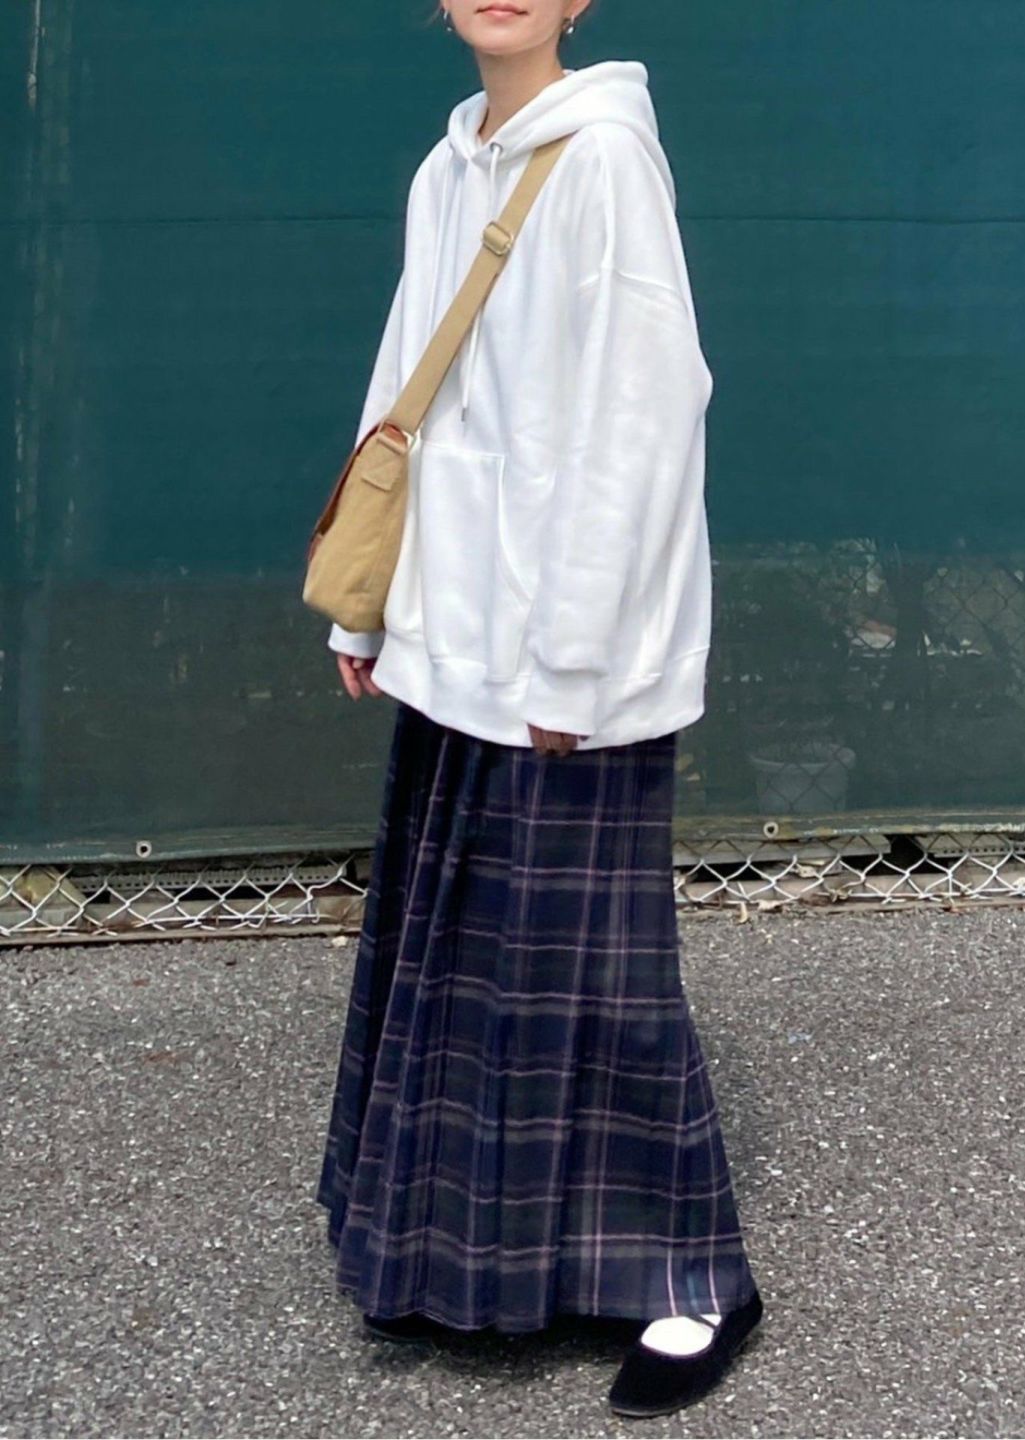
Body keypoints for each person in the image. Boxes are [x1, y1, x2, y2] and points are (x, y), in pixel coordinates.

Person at [315, 0, 763, 1418]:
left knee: (601, 978)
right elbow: (405, 387)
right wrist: (370, 604)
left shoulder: (606, 156)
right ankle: (479, 1265)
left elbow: (643, 421)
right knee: (466, 950)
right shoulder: (448, 164)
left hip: (568, 655)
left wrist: (571, 662)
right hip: (458, 638)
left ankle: (697, 1277)